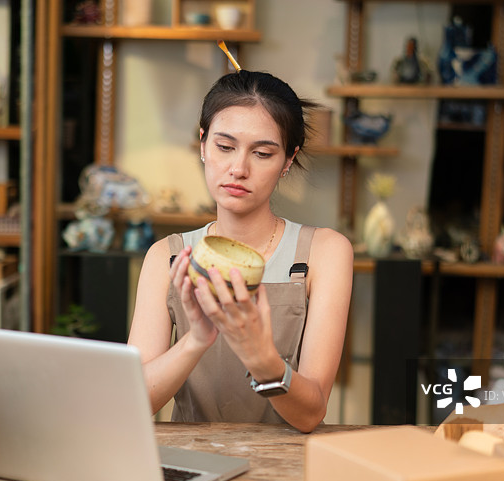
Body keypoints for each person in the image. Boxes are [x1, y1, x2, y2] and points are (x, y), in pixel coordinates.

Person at [127, 69, 353, 433]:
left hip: (287, 470)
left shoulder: (324, 253)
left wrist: (259, 355)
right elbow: (133, 401)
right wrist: (196, 339)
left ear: (288, 161)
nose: (238, 168)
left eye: (262, 153)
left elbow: (311, 414)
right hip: (190, 463)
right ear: (202, 144)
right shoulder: (166, 256)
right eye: (224, 146)